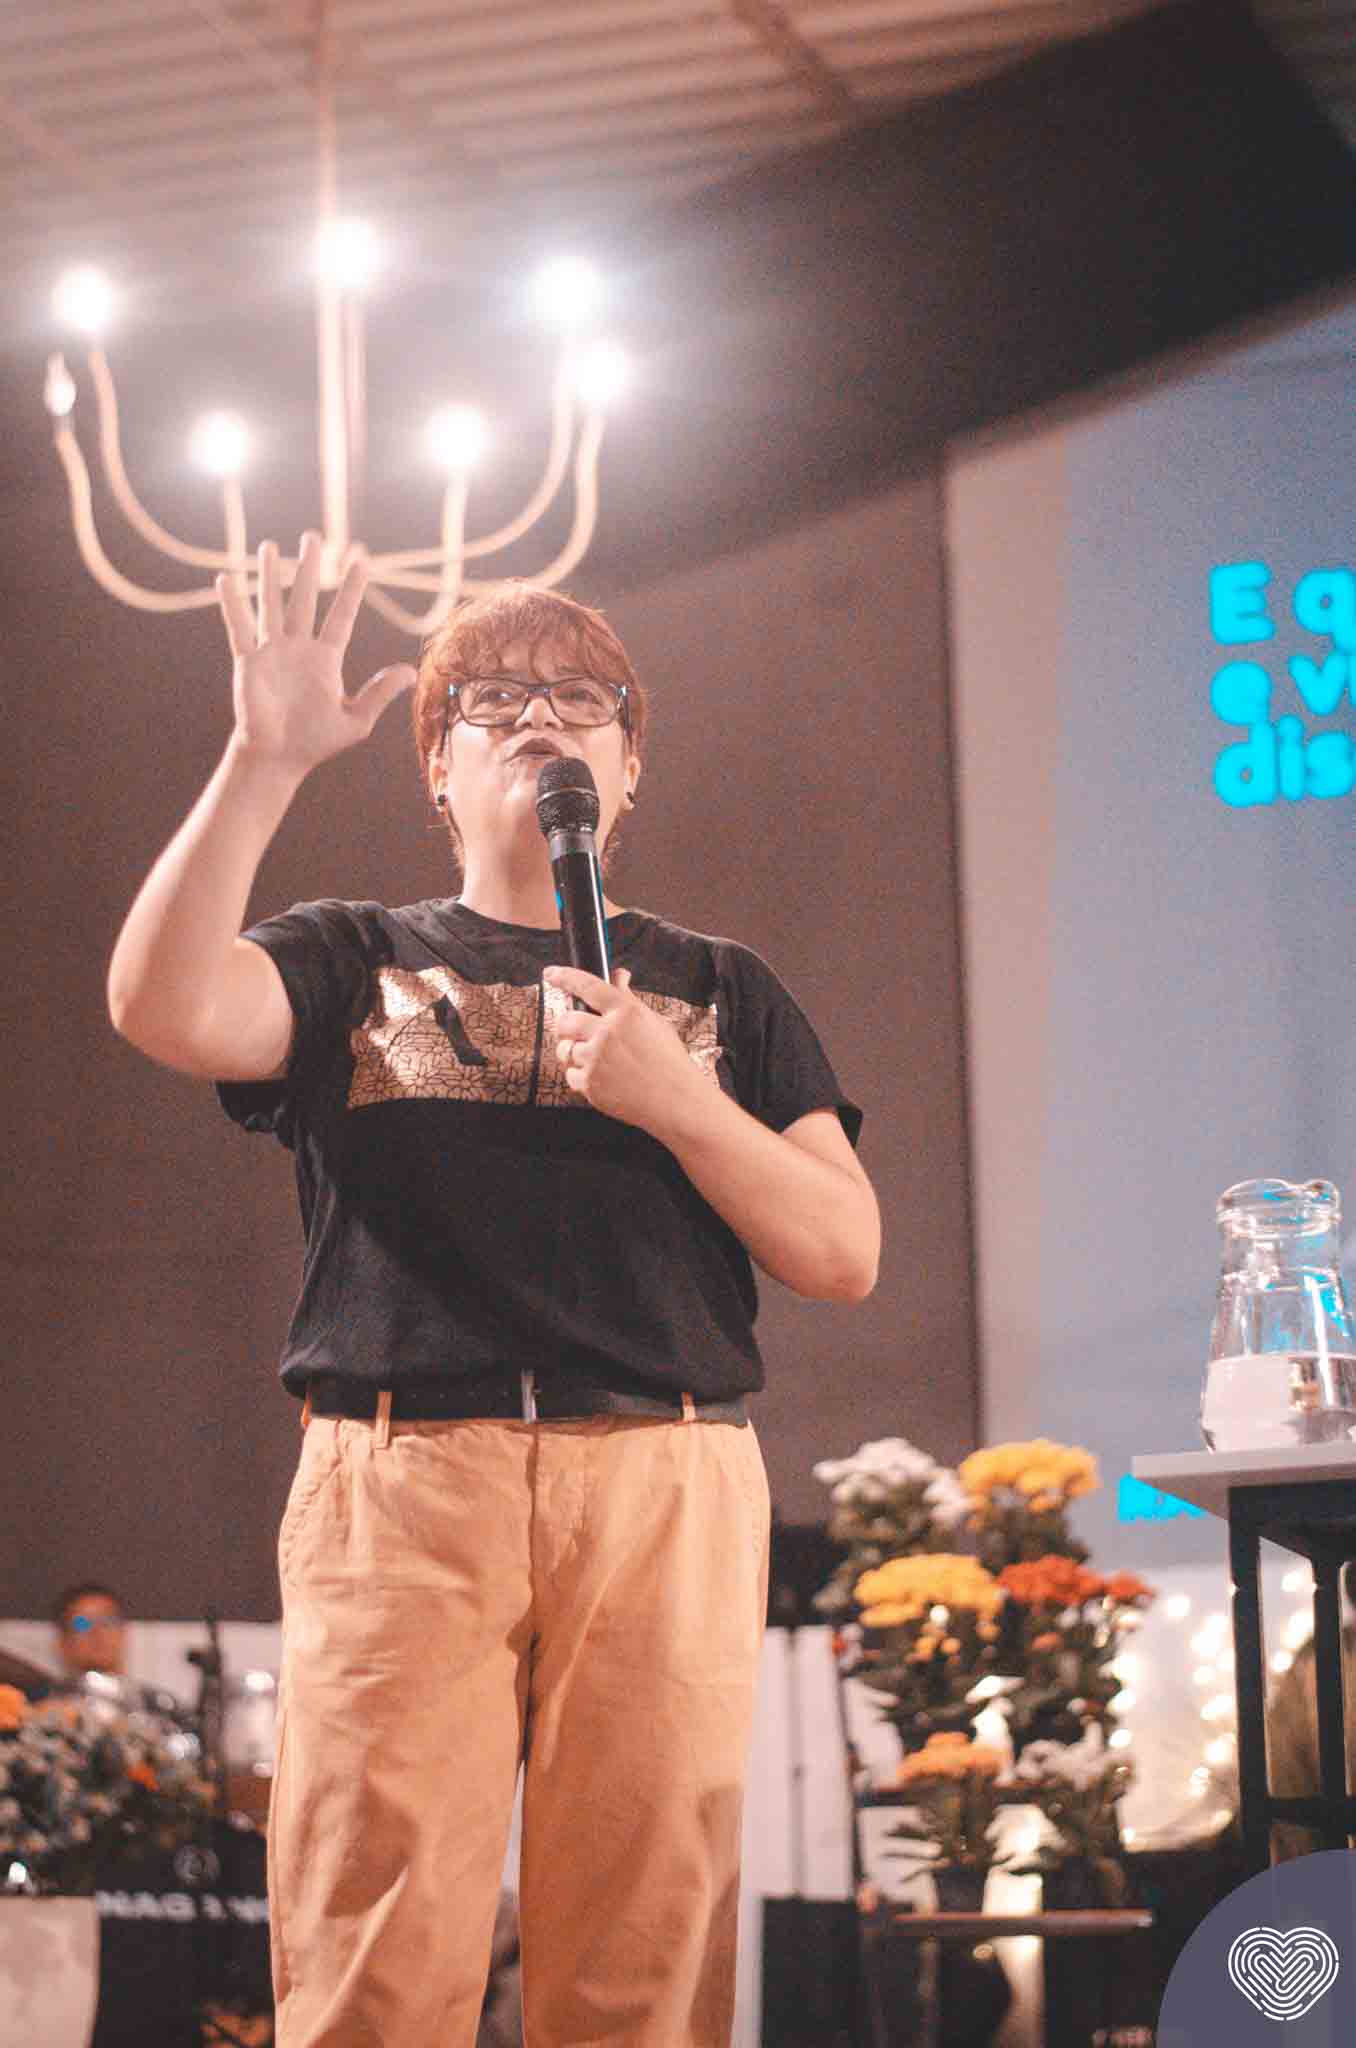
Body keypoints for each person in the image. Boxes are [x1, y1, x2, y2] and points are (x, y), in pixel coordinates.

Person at [107, 533, 880, 2047]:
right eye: (496, 701)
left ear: (629, 769)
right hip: (404, 1477)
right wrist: (263, 764)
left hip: (665, 1473)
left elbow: (841, 1250)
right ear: (438, 771)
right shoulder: (354, 955)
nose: (541, 719)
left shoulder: (723, 987)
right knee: (376, 1952)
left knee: (645, 1955)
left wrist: (682, 1102)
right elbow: (164, 1006)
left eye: (582, 701)